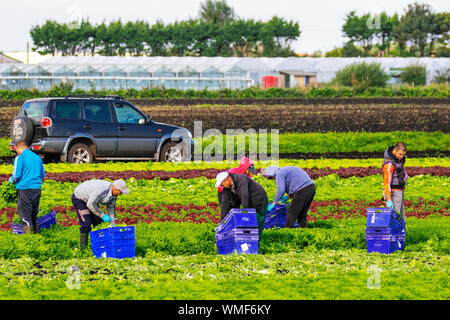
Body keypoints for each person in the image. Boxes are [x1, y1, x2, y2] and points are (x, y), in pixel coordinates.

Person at [71, 179, 130, 250]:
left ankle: (100, 246)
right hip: (80, 198)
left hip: (91, 200)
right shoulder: (102, 189)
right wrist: (102, 215)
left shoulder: (114, 194)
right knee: (86, 223)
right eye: (120, 192)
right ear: (114, 189)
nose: (120, 194)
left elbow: (111, 207)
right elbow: (90, 204)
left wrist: (112, 222)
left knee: (98, 222)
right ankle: (83, 249)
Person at [8, 141, 46, 234]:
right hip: (37, 189)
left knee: (25, 215)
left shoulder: (20, 158)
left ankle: (29, 237)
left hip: (25, 189)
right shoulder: (37, 158)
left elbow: (16, 175)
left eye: (16, 151)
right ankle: (36, 234)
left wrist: (10, 181)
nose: (17, 153)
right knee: (34, 213)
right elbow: (43, 176)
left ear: (18, 149)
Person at [215, 172, 268, 236]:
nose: (222, 187)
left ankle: (256, 241)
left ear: (228, 180)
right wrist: (222, 224)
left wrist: (244, 214)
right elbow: (224, 204)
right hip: (249, 202)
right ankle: (248, 240)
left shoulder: (241, 179)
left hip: (259, 200)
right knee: (248, 224)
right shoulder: (227, 188)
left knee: (257, 223)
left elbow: (244, 196)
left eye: (222, 185)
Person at [382, 142, 407, 221]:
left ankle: (401, 233)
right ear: (395, 151)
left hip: (399, 191)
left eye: (403, 155)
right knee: (394, 219)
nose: (402, 157)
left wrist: (403, 175)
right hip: (393, 192)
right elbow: (386, 183)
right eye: (400, 154)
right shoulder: (389, 164)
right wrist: (389, 200)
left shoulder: (398, 159)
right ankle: (391, 233)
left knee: (401, 218)